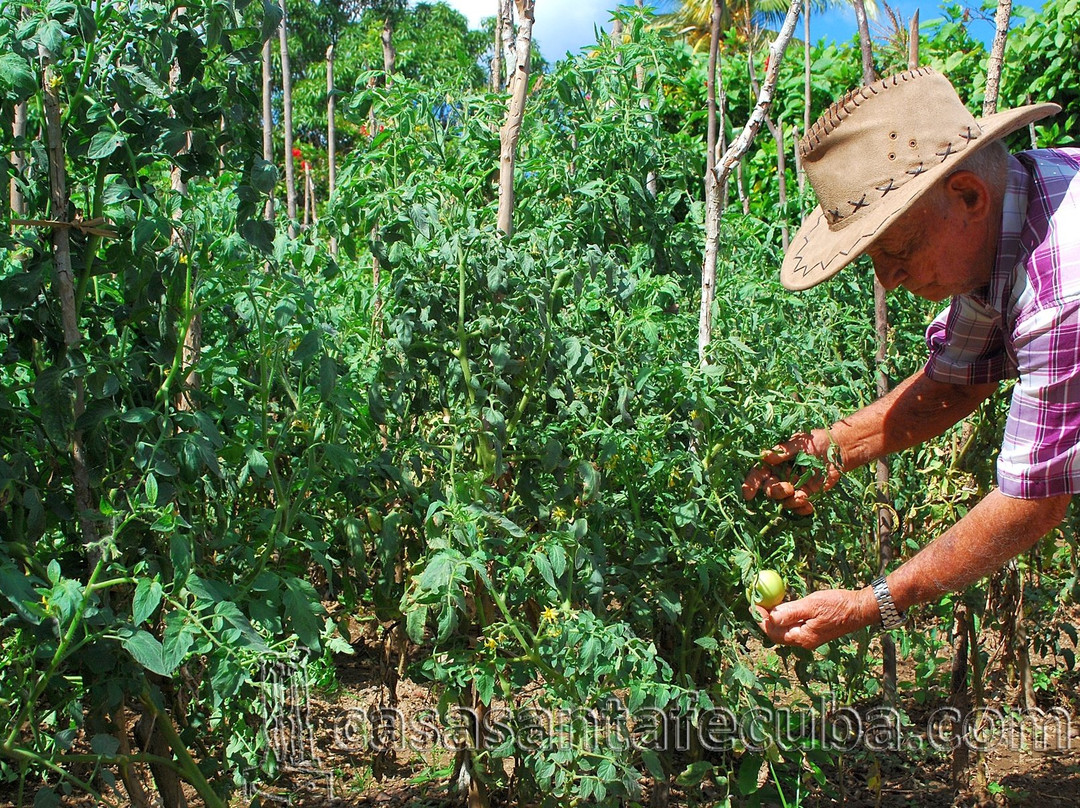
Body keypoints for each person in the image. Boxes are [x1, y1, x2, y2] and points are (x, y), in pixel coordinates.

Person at [741, 66, 1079, 650]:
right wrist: (827, 450)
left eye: (896, 250)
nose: (888, 279)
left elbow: (1035, 497)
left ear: (967, 193)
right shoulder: (1004, 220)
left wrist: (872, 603)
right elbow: (956, 380)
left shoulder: (1063, 290)